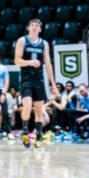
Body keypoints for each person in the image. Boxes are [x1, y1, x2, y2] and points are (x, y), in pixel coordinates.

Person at [14, 19, 55, 147]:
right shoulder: (22, 40)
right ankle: (25, 132)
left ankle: (39, 136)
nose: (34, 27)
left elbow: (48, 64)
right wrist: (29, 62)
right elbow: (17, 60)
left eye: (37, 25)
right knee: (27, 107)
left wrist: (53, 84)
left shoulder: (44, 44)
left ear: (40, 29)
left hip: (39, 80)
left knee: (38, 110)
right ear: (28, 28)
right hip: (26, 79)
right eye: (32, 25)